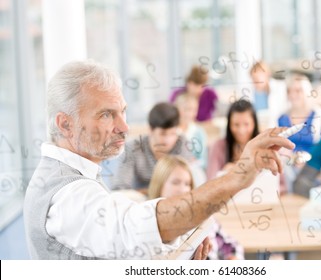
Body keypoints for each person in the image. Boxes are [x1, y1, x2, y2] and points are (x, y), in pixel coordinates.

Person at [23, 60, 295, 260]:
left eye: (123, 112)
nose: (124, 127)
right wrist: (237, 177)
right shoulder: (65, 195)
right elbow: (136, 227)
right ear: (66, 124)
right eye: (106, 114)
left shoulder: (79, 175)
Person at [148, 155, 244, 260]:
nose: (182, 189)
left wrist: (233, 258)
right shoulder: (149, 224)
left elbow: (232, 247)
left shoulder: (203, 218)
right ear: (159, 184)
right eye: (176, 182)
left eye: (187, 184)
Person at [110, 102, 193, 194]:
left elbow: (190, 183)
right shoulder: (134, 148)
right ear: (150, 130)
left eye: (173, 133)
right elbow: (119, 188)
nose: (168, 140)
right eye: (163, 134)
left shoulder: (182, 144)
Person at [277, 74, 321, 192]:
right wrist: (293, 158)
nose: (293, 95)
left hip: (314, 162)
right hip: (289, 163)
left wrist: (304, 159)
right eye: (289, 91)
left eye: (298, 91)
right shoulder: (282, 117)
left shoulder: (318, 114)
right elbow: (279, 145)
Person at [207, 99, 259, 180]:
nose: (241, 130)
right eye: (236, 124)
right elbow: (210, 180)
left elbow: (279, 183)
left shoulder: (264, 145)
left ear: (254, 124)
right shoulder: (218, 146)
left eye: (246, 124)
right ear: (229, 125)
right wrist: (225, 173)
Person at [249, 61, 288, 129]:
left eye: (258, 78)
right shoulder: (250, 94)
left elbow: (284, 111)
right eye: (253, 79)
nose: (255, 82)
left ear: (267, 75)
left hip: (277, 128)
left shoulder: (279, 88)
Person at [174, 93, 208, 170]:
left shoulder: (199, 132)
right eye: (187, 109)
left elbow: (204, 160)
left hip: (194, 170)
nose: (190, 114)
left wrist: (195, 162)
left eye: (194, 110)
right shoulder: (172, 132)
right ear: (177, 109)